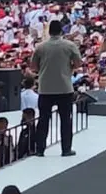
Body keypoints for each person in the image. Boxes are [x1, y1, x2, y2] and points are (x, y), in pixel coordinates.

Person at [32, 18, 82, 157]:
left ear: (49, 31)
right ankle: (66, 149)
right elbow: (78, 63)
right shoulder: (69, 45)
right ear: (61, 31)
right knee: (66, 120)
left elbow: (34, 67)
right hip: (64, 87)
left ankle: (40, 149)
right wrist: (69, 68)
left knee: (43, 120)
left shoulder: (40, 47)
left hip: (45, 88)